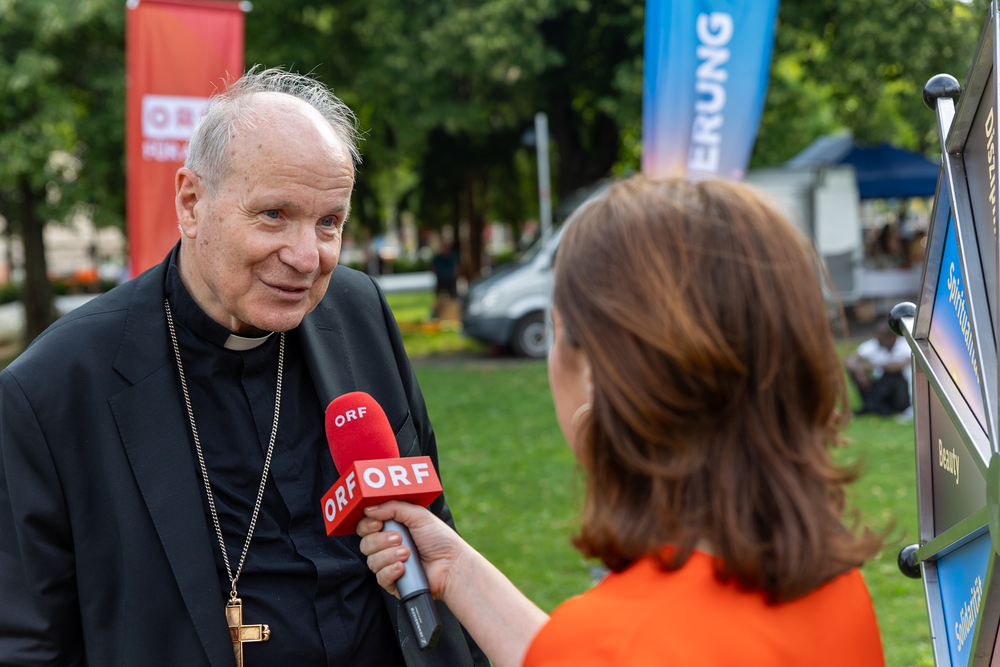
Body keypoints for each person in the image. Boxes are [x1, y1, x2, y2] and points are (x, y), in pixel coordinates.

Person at [0, 68, 486, 667]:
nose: (306, 257)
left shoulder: (359, 312)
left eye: (329, 222)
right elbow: (29, 645)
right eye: (274, 214)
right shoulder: (51, 390)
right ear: (191, 203)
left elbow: (434, 527)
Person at [359, 176, 885, 666]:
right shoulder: (835, 585)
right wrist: (458, 570)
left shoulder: (610, 643)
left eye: (558, 327)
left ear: (597, 373)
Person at [846, 321, 912, 417]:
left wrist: (869, 366)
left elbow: (898, 366)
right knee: (856, 372)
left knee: (891, 374)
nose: (878, 338)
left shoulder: (905, 345)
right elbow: (849, 361)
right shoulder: (874, 344)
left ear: (891, 336)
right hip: (880, 386)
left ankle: (876, 406)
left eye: (881, 336)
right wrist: (858, 371)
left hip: (902, 392)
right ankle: (873, 406)